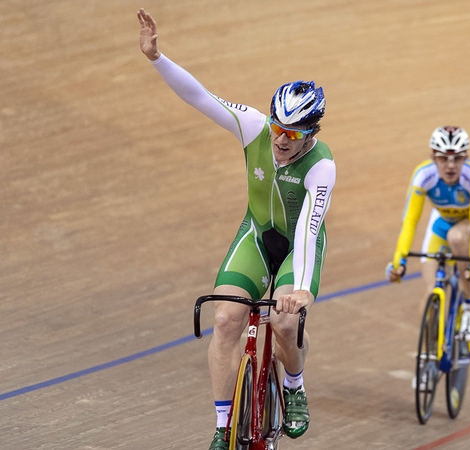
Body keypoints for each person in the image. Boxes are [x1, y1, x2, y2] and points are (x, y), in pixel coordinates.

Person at [137, 9, 335, 449]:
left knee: (285, 323)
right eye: (278, 128)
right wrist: (157, 58)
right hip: (257, 236)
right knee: (226, 317)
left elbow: (308, 229)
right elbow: (201, 97)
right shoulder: (254, 128)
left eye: (294, 133)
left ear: (312, 133)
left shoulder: (321, 166)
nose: (282, 140)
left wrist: (300, 288)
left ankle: (294, 388)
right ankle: (223, 426)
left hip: (296, 250)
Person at [387, 126, 470, 349]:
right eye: (443, 158)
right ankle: (427, 353)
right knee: (430, 290)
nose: (450, 165)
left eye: (457, 159)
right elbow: (410, 221)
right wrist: (399, 260)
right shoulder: (423, 175)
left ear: (466, 157)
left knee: (456, 237)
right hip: (443, 221)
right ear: (432, 157)